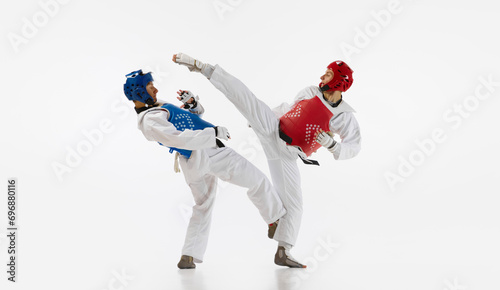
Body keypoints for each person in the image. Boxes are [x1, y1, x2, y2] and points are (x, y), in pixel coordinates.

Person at [172, 53, 361, 268]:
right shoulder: (310, 92)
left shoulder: (344, 116)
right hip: (273, 128)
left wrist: (333, 146)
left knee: (295, 204)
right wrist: (261, 118)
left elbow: (354, 147)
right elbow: (290, 110)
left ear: (339, 81)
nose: (322, 77)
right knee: (248, 100)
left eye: (328, 74)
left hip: (288, 154)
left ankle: (284, 251)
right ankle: (206, 69)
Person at [123, 69, 286, 269]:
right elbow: (178, 138)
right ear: (139, 91)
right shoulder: (150, 120)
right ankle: (275, 222)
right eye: (149, 86)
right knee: (257, 180)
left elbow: (188, 122)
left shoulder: (155, 109)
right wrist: (213, 132)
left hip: (193, 163)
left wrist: (192, 105)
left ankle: (188, 255)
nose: (155, 89)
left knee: (203, 206)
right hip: (207, 153)